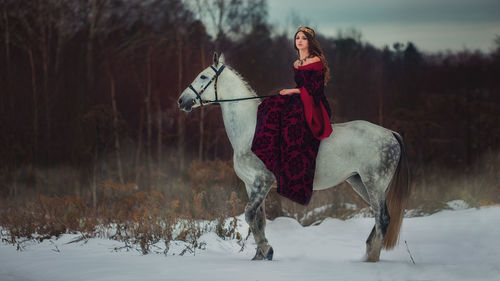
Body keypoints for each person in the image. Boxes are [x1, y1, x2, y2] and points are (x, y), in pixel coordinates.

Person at [251, 26, 333, 205]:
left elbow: (314, 89)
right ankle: (272, 155)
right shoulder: (297, 63)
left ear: (310, 42)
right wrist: (291, 93)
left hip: (314, 103)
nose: (300, 41)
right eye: (297, 38)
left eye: (303, 38)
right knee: (269, 105)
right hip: (301, 98)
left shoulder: (316, 60)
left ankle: (294, 171)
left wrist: (292, 91)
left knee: (291, 118)